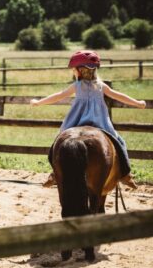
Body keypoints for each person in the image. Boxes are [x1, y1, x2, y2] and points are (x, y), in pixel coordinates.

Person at [30, 50, 146, 189]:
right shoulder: (101, 86)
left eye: (74, 70)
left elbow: (59, 96)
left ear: (79, 71)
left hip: (76, 121)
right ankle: (126, 174)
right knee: (120, 142)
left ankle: (55, 173)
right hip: (101, 123)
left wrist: (39, 102)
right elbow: (118, 95)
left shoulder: (77, 86)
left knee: (58, 143)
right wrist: (137, 103)